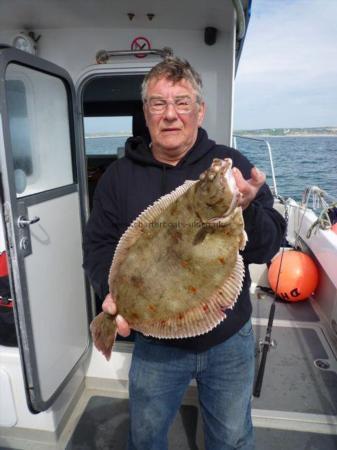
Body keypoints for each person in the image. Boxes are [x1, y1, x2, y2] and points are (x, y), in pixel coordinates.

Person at [83, 56, 286, 450]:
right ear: (146, 113)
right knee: (146, 437)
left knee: (232, 438)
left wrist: (246, 209)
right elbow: (98, 245)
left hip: (229, 338)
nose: (171, 114)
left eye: (182, 102)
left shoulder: (234, 166)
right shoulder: (118, 178)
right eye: (159, 104)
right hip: (156, 346)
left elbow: (269, 245)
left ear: (200, 109)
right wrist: (111, 293)